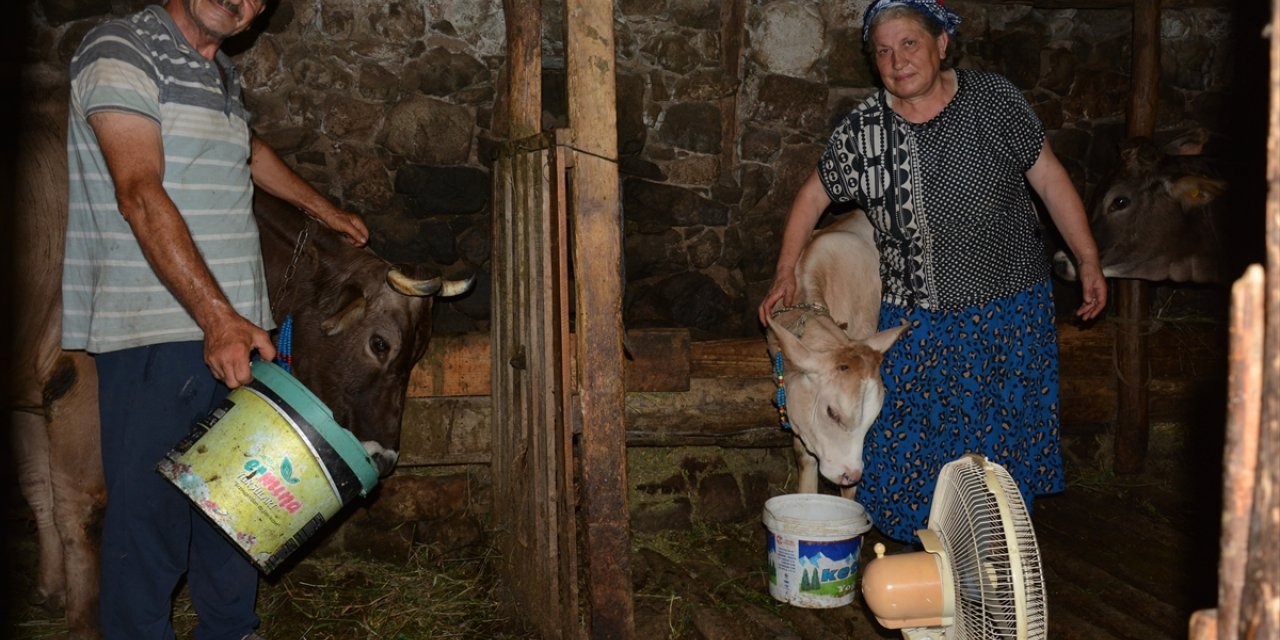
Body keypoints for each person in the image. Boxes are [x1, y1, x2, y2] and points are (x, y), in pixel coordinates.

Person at [61, 1, 369, 638]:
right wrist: (215, 317)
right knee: (151, 523)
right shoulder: (121, 47)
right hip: (161, 324)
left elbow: (247, 150)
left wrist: (323, 211)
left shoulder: (221, 74)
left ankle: (231, 629)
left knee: (237, 506)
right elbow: (139, 192)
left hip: (238, 328)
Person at [757, 0, 1108, 543]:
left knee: (1000, 453)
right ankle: (921, 568)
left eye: (909, 44)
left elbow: (1051, 180)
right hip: (916, 321)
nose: (897, 61)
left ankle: (989, 564)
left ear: (942, 44)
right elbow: (811, 197)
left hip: (1007, 312)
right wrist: (785, 273)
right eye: (883, 52)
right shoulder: (864, 132)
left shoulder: (994, 102)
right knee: (904, 452)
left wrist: (1087, 258)